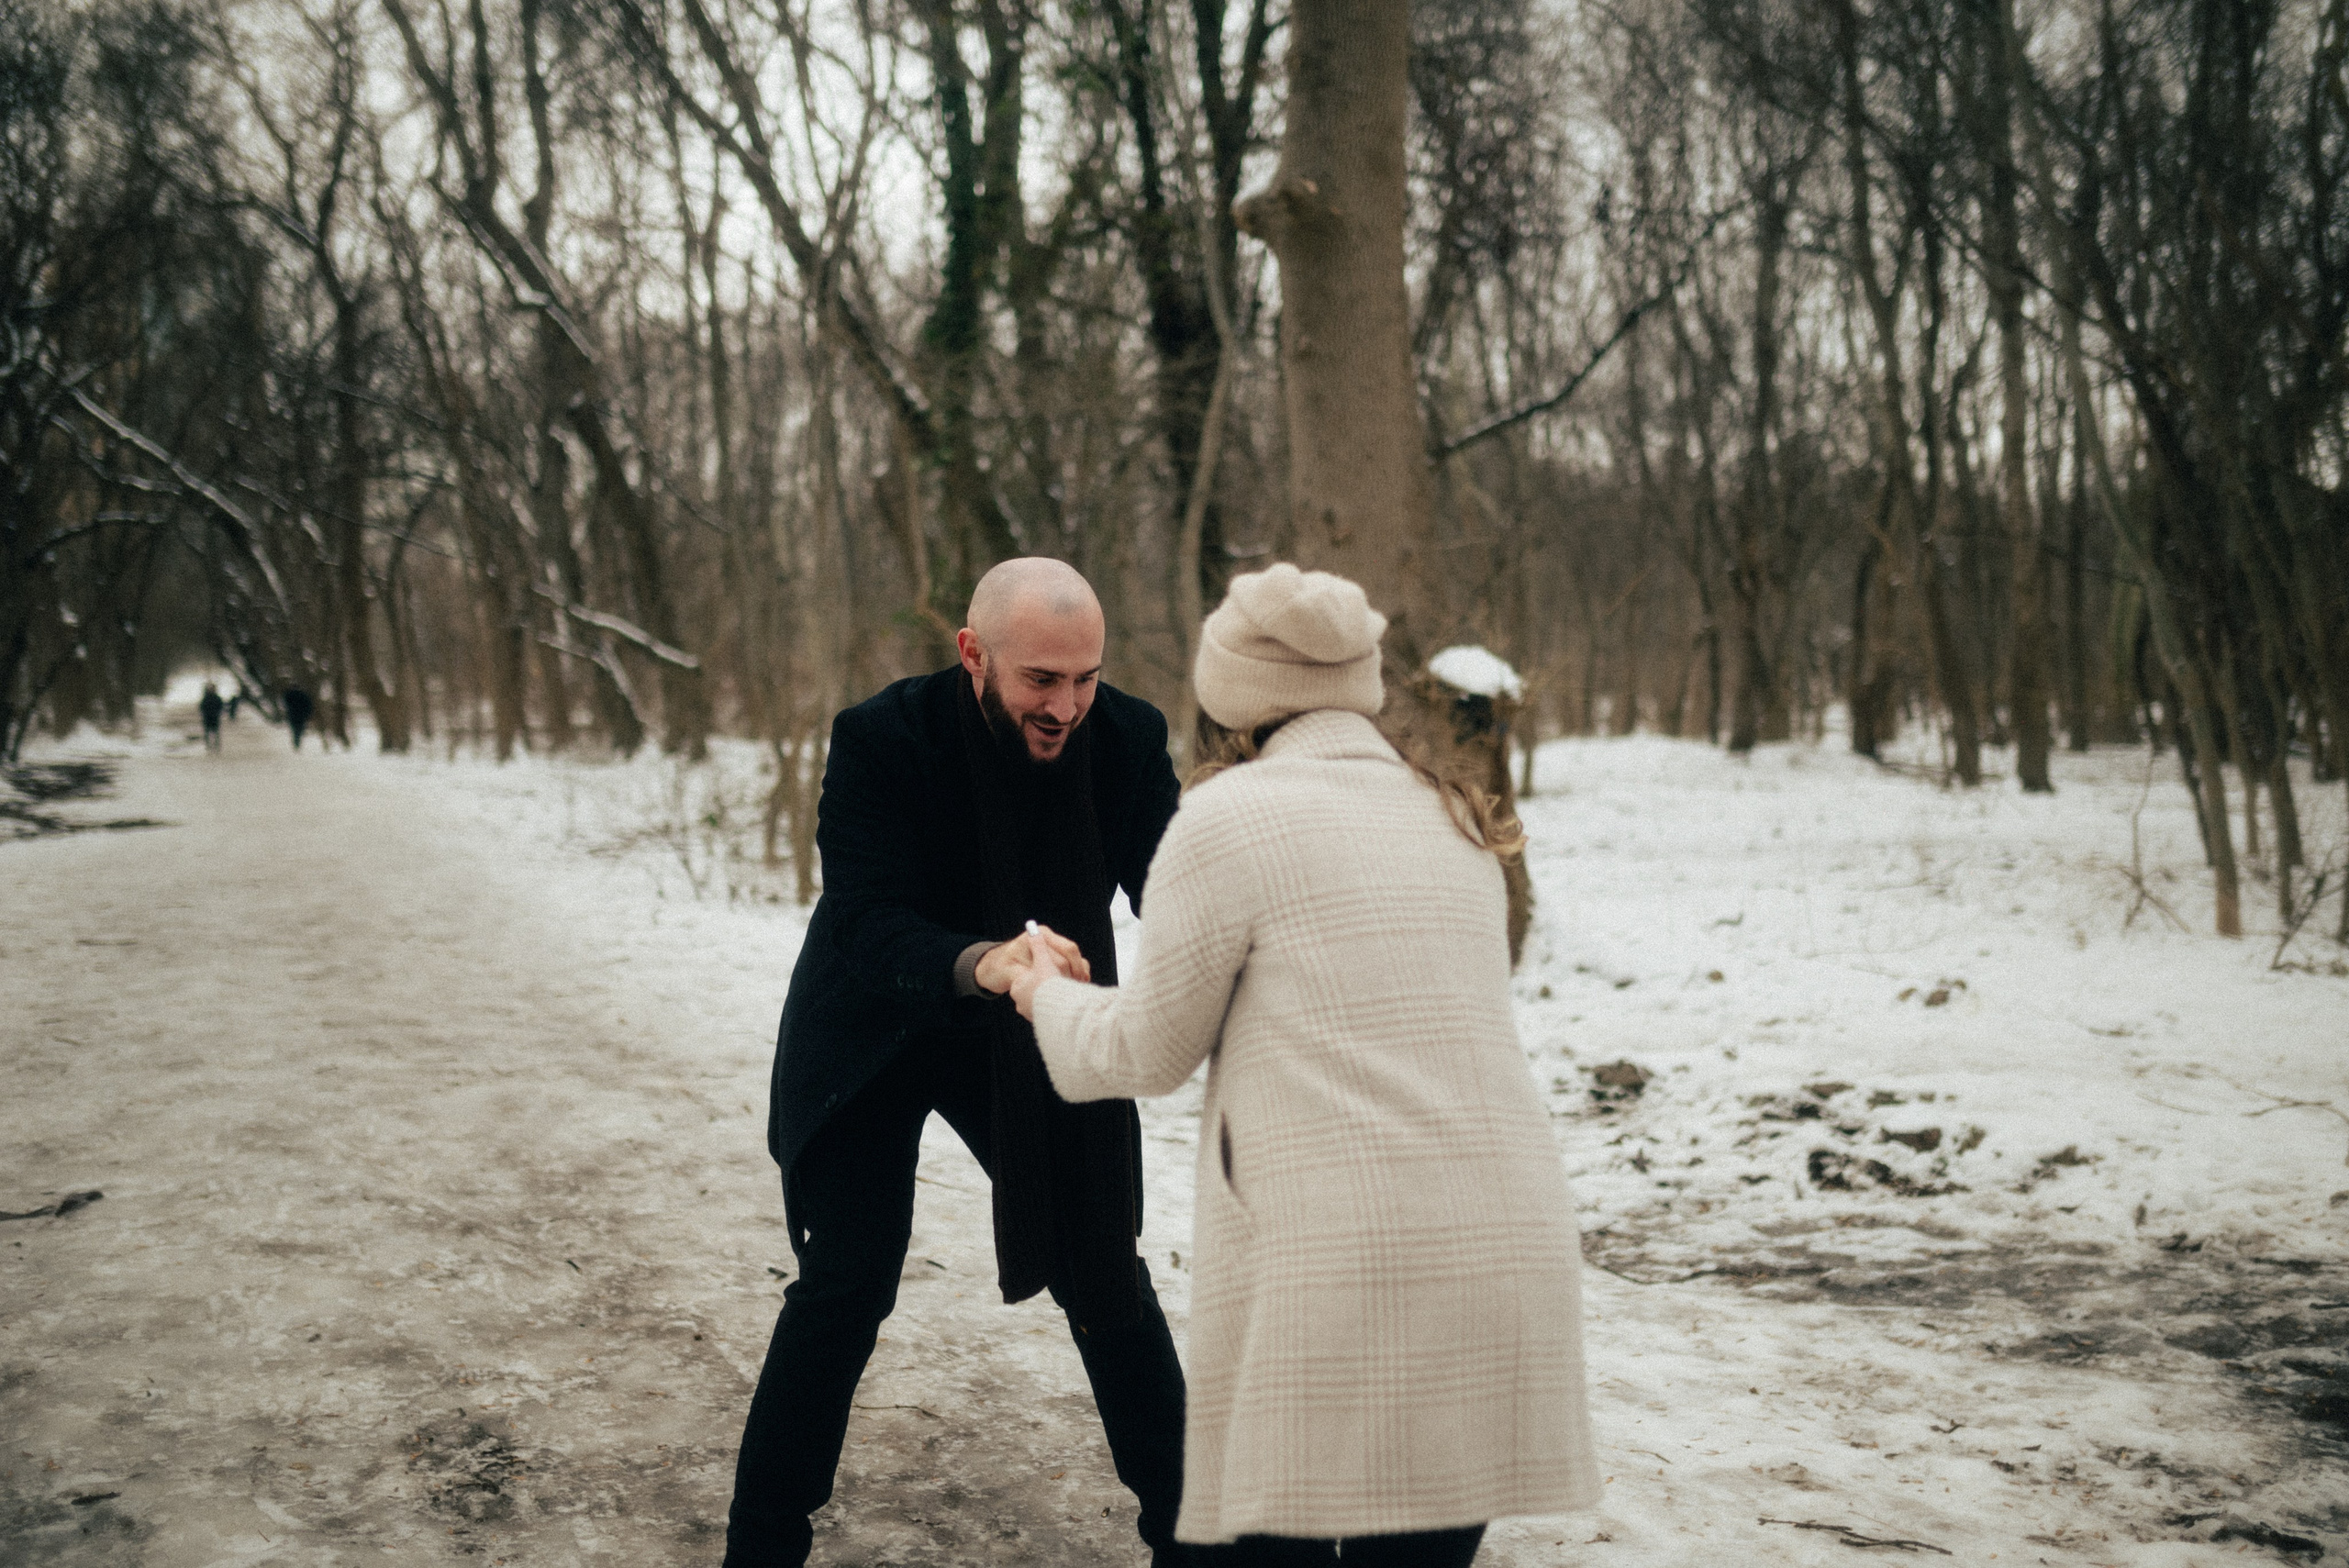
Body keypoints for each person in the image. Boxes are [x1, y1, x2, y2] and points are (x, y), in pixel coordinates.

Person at [1012, 564, 1601, 1567]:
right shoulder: (1455, 817)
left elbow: (1143, 1050)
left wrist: (1039, 987)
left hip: (1345, 1264)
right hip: (1499, 1250)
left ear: (1230, 691)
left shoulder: (1228, 819)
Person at [726, 558, 1192, 1568]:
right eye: (1039, 680)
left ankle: (1195, 1542)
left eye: (1085, 677)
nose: (1065, 705)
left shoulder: (1128, 740)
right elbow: (866, 918)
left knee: (1104, 1268)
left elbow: (1187, 896)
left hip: (1038, 1023)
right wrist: (985, 963)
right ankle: (760, 1548)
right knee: (846, 1278)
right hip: (875, 1026)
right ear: (973, 653)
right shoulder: (881, 738)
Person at [283, 686, 313, 750]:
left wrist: (289, 710)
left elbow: (285, 702)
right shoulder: (304, 695)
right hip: (301, 716)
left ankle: (296, 742)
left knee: (294, 729)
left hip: (292, 715)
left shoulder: (290, 694)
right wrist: (307, 715)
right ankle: (297, 743)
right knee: (299, 729)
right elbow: (309, 705)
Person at [198, 683, 224, 752]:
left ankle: (216, 746)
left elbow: (221, 706)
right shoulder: (205, 698)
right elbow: (201, 707)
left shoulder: (217, 698)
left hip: (215, 718)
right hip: (207, 718)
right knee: (207, 733)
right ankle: (208, 746)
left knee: (216, 733)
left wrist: (217, 713)